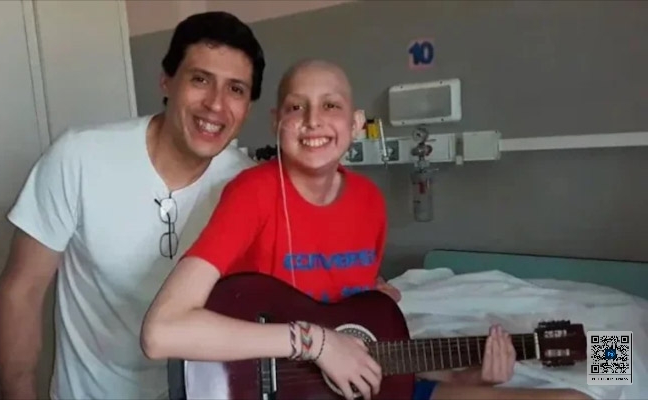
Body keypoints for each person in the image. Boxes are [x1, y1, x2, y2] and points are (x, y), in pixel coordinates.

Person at [141, 59, 592, 400]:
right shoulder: (252, 194)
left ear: (356, 124)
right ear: (278, 122)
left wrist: (466, 374)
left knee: (575, 398)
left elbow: (365, 336)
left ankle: (614, 354)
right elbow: (161, 332)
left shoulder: (368, 203)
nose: (313, 120)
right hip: (267, 387)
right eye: (297, 107)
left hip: (366, 387)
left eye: (330, 105)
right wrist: (317, 343)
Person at [0, 11, 265, 400]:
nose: (216, 105)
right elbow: (22, 289)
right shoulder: (80, 157)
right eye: (200, 79)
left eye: (236, 89)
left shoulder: (250, 187)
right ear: (166, 81)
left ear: (248, 107)